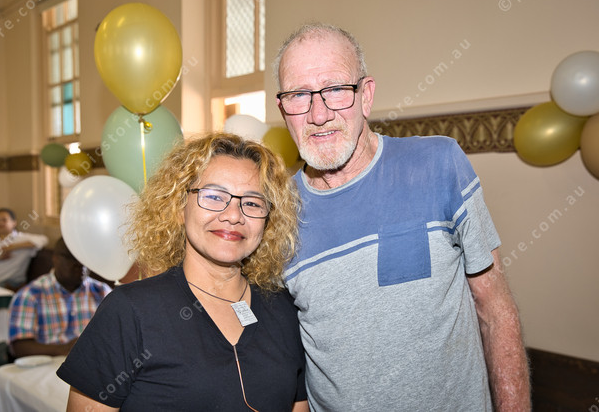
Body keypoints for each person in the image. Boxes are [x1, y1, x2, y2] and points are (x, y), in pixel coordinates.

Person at [274, 23, 531, 411]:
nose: (319, 114)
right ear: (283, 110)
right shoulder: (275, 215)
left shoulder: (439, 164)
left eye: (336, 89)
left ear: (366, 96)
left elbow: (496, 312)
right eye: (298, 95)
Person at [57, 133, 308, 411]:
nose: (233, 215)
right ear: (179, 208)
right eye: (214, 196)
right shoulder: (129, 312)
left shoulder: (285, 310)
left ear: (268, 219)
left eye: (251, 203)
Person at [8, 237, 112, 358]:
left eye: (85, 258)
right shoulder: (30, 295)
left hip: (94, 362)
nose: (80, 264)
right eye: (72, 257)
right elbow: (19, 347)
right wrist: (63, 349)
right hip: (48, 364)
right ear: (55, 259)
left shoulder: (102, 292)